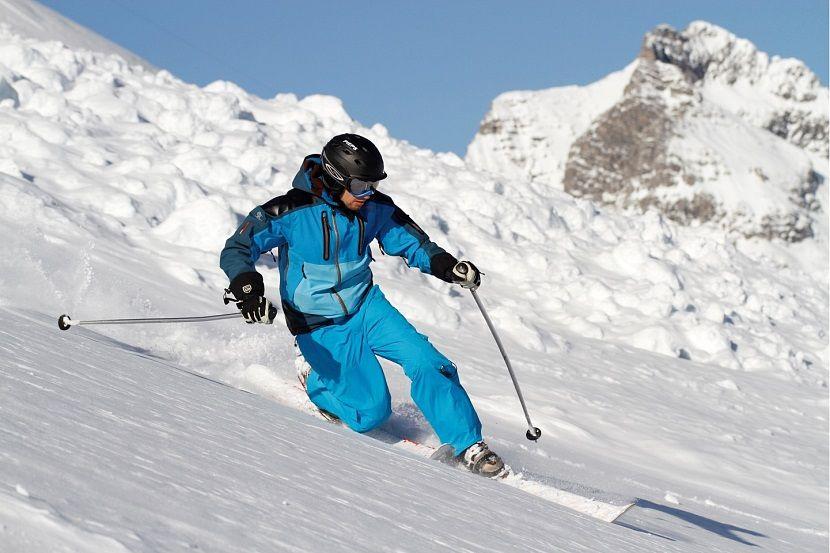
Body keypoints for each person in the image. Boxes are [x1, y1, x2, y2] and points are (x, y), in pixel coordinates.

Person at [220, 134, 505, 478]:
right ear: (335, 177)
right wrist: (247, 288)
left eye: (373, 185)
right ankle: (316, 379)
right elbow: (239, 246)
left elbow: (414, 243)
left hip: (367, 306)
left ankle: (468, 444)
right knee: (371, 413)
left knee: (427, 361)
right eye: (359, 185)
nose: (367, 193)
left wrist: (448, 266)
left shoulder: (374, 208)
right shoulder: (290, 211)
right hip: (317, 322)